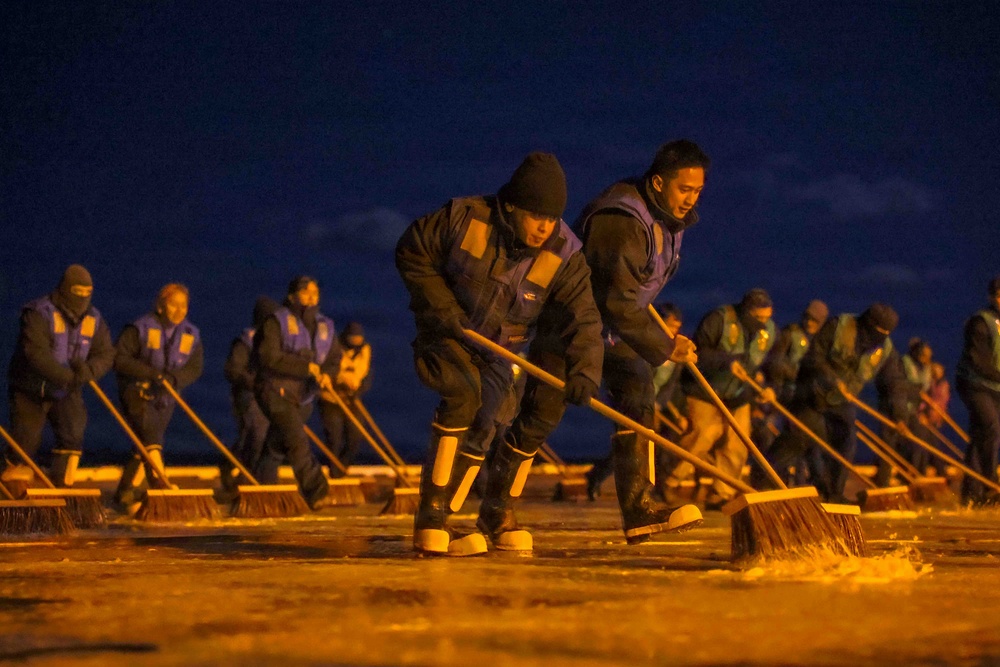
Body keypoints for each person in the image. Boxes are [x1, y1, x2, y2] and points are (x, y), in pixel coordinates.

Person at [395, 151, 604, 555]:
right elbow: (412, 250)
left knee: (493, 414)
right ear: (511, 205)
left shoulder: (565, 252)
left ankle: (494, 512)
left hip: (500, 351)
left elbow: (584, 317)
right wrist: (443, 311)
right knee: (463, 394)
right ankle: (433, 517)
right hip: (449, 333)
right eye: (536, 216)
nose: (545, 227)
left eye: (552, 218)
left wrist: (585, 372)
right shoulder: (466, 218)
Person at [535, 139, 709, 544]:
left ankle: (639, 508)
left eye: (698, 191)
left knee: (637, 395)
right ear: (660, 182)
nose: (691, 199)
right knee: (538, 416)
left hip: (613, 330)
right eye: (685, 189)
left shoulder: (665, 222)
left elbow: (636, 290)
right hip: (571, 326)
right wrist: (667, 348)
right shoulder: (622, 219)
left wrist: (659, 338)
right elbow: (617, 299)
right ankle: (496, 513)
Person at [753, 303, 908, 502]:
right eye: (876, 332)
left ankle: (833, 495)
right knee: (798, 438)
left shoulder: (885, 350)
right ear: (867, 323)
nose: (878, 339)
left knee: (846, 442)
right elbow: (813, 357)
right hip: (811, 393)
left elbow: (894, 383)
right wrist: (832, 379)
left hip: (841, 402)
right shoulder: (839, 326)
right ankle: (762, 481)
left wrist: (900, 415)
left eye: (885, 334)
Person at [2, 265, 115, 491]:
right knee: (25, 440)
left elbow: (106, 354)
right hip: (31, 388)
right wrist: (67, 376)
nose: (82, 297)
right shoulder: (38, 313)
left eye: (87, 293)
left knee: (73, 433)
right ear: (64, 288)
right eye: (77, 292)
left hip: (66, 390)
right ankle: (9, 478)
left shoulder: (94, 319)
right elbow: (36, 354)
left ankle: (63, 486)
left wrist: (89, 371)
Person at [665, 289, 777, 510]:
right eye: (759, 318)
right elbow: (699, 353)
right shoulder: (719, 319)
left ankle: (721, 493)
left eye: (767, 318)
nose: (764, 323)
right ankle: (670, 479)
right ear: (747, 312)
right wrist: (726, 361)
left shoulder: (769, 331)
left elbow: (769, 364)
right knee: (705, 435)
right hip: (705, 390)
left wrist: (768, 388)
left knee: (738, 443)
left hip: (738, 394)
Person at [112, 283, 204, 512]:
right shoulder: (140, 328)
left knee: (144, 445)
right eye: (174, 305)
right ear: (161, 306)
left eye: (184, 306)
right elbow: (120, 359)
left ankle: (125, 492)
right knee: (152, 438)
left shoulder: (191, 335)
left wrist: (174, 380)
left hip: (166, 398)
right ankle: (159, 483)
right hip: (137, 393)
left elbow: (195, 368)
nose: (179, 310)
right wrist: (151, 374)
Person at [252, 276, 341, 510]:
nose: (311, 297)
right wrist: (304, 367)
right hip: (274, 390)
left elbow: (334, 359)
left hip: (304, 396)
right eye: (305, 292)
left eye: (315, 292)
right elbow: (267, 357)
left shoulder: (326, 326)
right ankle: (317, 490)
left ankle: (261, 490)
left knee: (276, 445)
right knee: (296, 439)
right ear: (292, 296)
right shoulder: (276, 322)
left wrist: (327, 375)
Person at [584, 302, 685, 501]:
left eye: (677, 327)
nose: (673, 331)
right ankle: (599, 477)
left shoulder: (674, 348)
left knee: (650, 445)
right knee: (630, 442)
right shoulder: (644, 344)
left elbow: (670, 385)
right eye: (670, 325)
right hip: (631, 400)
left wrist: (659, 404)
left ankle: (650, 489)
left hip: (652, 403)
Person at [763, 299, 829, 484]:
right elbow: (776, 362)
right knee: (779, 436)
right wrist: (792, 374)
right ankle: (771, 477)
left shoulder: (821, 341)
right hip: (784, 393)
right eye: (808, 318)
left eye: (815, 321)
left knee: (805, 441)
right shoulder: (791, 334)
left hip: (807, 399)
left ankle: (802, 481)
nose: (810, 323)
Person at [220, 296, 279, 492]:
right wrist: (254, 383)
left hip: (271, 395)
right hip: (248, 395)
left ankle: (234, 468)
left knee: (262, 438)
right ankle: (248, 484)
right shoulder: (246, 341)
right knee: (257, 434)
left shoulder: (275, 342)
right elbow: (233, 369)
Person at [955, 277, 1000, 506]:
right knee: (991, 427)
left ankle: (971, 493)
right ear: (993, 297)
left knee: (980, 435)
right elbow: (977, 360)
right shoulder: (981, 323)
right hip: (975, 384)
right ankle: (989, 484)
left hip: (996, 387)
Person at [319, 321, 372, 472]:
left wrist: (359, 390)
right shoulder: (334, 348)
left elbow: (367, 374)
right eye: (352, 340)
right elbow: (327, 370)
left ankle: (342, 469)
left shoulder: (365, 350)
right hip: (331, 400)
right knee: (334, 439)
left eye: (358, 341)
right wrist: (340, 381)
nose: (355, 344)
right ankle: (333, 471)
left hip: (352, 400)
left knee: (355, 437)